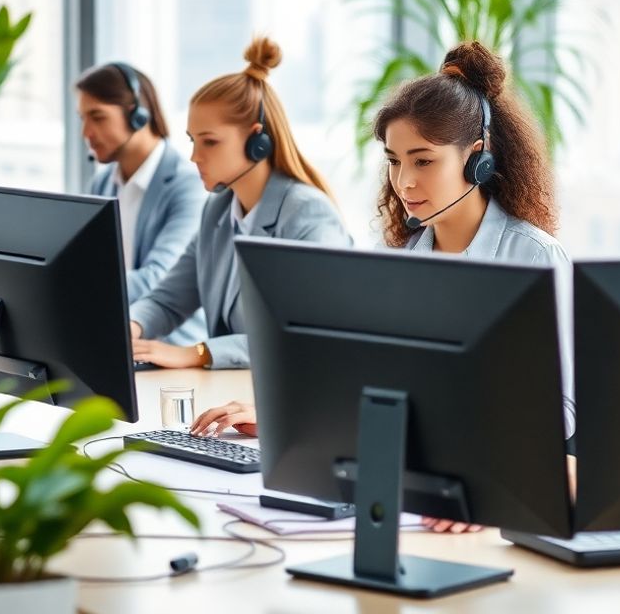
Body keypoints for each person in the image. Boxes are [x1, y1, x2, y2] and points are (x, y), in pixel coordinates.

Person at [191, 41, 574, 531]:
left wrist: (490, 479)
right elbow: (370, 378)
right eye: (394, 161)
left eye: (424, 161)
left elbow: (560, 408)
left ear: (476, 159)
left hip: (493, 499)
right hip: (409, 482)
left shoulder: (534, 257)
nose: (404, 181)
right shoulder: (397, 255)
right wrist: (293, 421)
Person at [127, 36, 351, 369]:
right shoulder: (218, 210)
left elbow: (308, 333)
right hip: (232, 390)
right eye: (192, 141)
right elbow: (169, 299)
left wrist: (198, 352)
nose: (194, 156)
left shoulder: (307, 213)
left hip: (290, 393)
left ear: (256, 140)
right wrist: (130, 329)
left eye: (210, 142)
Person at [76, 61, 207, 345]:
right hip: (117, 341)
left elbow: (159, 279)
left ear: (138, 115)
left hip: (170, 348)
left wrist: (71, 285)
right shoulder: (101, 184)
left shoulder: (187, 186)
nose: (86, 132)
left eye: (97, 117)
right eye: (82, 118)